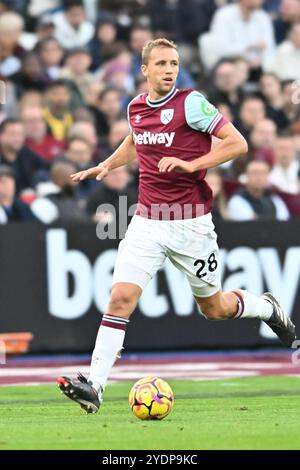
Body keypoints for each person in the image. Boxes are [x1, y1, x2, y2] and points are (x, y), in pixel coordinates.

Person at [57, 38, 296, 414]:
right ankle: (95, 387)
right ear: (145, 70)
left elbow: (238, 144)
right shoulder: (136, 106)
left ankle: (266, 308)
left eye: (174, 62)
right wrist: (107, 164)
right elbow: (138, 139)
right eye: (162, 63)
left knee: (214, 308)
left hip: (191, 226)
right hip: (147, 222)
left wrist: (191, 163)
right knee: (120, 298)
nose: (169, 69)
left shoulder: (192, 103)